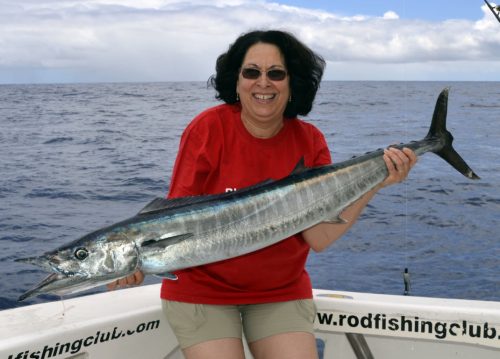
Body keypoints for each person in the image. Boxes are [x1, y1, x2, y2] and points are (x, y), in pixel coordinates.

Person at [108, 30, 417, 359]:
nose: (263, 83)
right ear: (237, 80)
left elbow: (320, 236)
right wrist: (134, 261)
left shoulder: (309, 140)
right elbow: (171, 220)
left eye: (276, 73)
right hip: (202, 290)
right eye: (251, 72)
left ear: (291, 82)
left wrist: (376, 183)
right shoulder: (207, 129)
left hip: (279, 291)